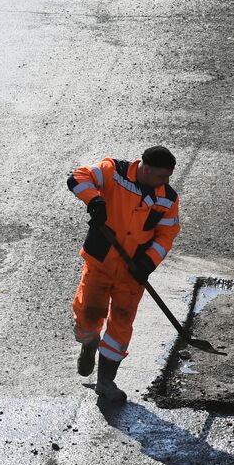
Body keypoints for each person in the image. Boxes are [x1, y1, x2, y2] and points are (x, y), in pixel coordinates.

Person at [66, 146, 181, 405]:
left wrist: (148, 263)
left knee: (121, 323)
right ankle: (89, 342)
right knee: (87, 315)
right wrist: (94, 201)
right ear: (146, 169)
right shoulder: (113, 172)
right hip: (101, 262)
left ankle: (106, 381)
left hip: (132, 272)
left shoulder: (167, 198)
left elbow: (167, 235)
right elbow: (77, 177)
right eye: (163, 176)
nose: (167, 182)